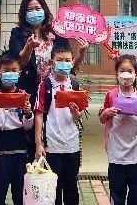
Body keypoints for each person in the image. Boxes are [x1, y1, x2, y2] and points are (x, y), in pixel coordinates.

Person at [9, 0, 86, 105]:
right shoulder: (17, 33)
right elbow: (17, 64)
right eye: (29, 10)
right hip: (28, 91)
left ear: (44, 10)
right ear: (24, 13)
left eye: (37, 8)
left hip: (54, 91)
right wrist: (29, 47)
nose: (34, 12)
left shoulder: (57, 33)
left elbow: (69, 65)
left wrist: (81, 52)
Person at [35, 41, 85, 205]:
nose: (64, 64)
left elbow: (79, 116)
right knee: (53, 188)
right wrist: (38, 144)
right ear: (52, 62)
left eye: (67, 60)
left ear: (72, 62)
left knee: (71, 187)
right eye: (60, 60)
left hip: (72, 145)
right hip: (52, 145)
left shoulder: (74, 84)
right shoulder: (45, 85)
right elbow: (39, 114)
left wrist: (76, 113)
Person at [99, 54, 137, 205]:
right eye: (122, 71)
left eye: (130, 71)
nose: (126, 75)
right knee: (117, 196)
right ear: (116, 73)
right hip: (116, 153)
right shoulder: (110, 95)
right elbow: (102, 119)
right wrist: (106, 112)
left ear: (136, 74)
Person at [0, 51, 35, 205]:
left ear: (19, 72)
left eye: (13, 70)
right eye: (6, 70)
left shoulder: (24, 95)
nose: (10, 74)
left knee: (19, 195)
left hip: (20, 150)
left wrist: (28, 113)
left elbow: (28, 126)